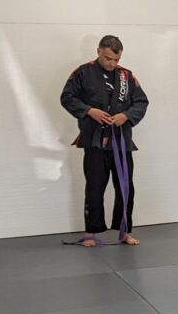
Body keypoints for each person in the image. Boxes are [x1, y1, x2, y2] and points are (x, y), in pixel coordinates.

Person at [60, 34, 149, 246]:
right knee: (94, 187)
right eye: (108, 58)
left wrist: (125, 116)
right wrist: (89, 111)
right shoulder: (83, 72)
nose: (112, 63)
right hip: (95, 141)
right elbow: (67, 97)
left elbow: (141, 102)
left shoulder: (126, 76)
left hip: (121, 141)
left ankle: (124, 231)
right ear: (99, 51)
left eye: (116, 59)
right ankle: (91, 232)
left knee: (126, 188)